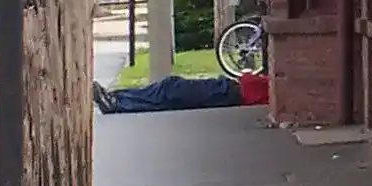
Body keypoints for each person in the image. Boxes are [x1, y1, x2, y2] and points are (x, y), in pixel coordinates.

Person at [93, 69, 268, 114]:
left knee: (171, 92)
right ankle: (116, 98)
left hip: (231, 94)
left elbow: (253, 86)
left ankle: (118, 103)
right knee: (168, 89)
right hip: (230, 88)